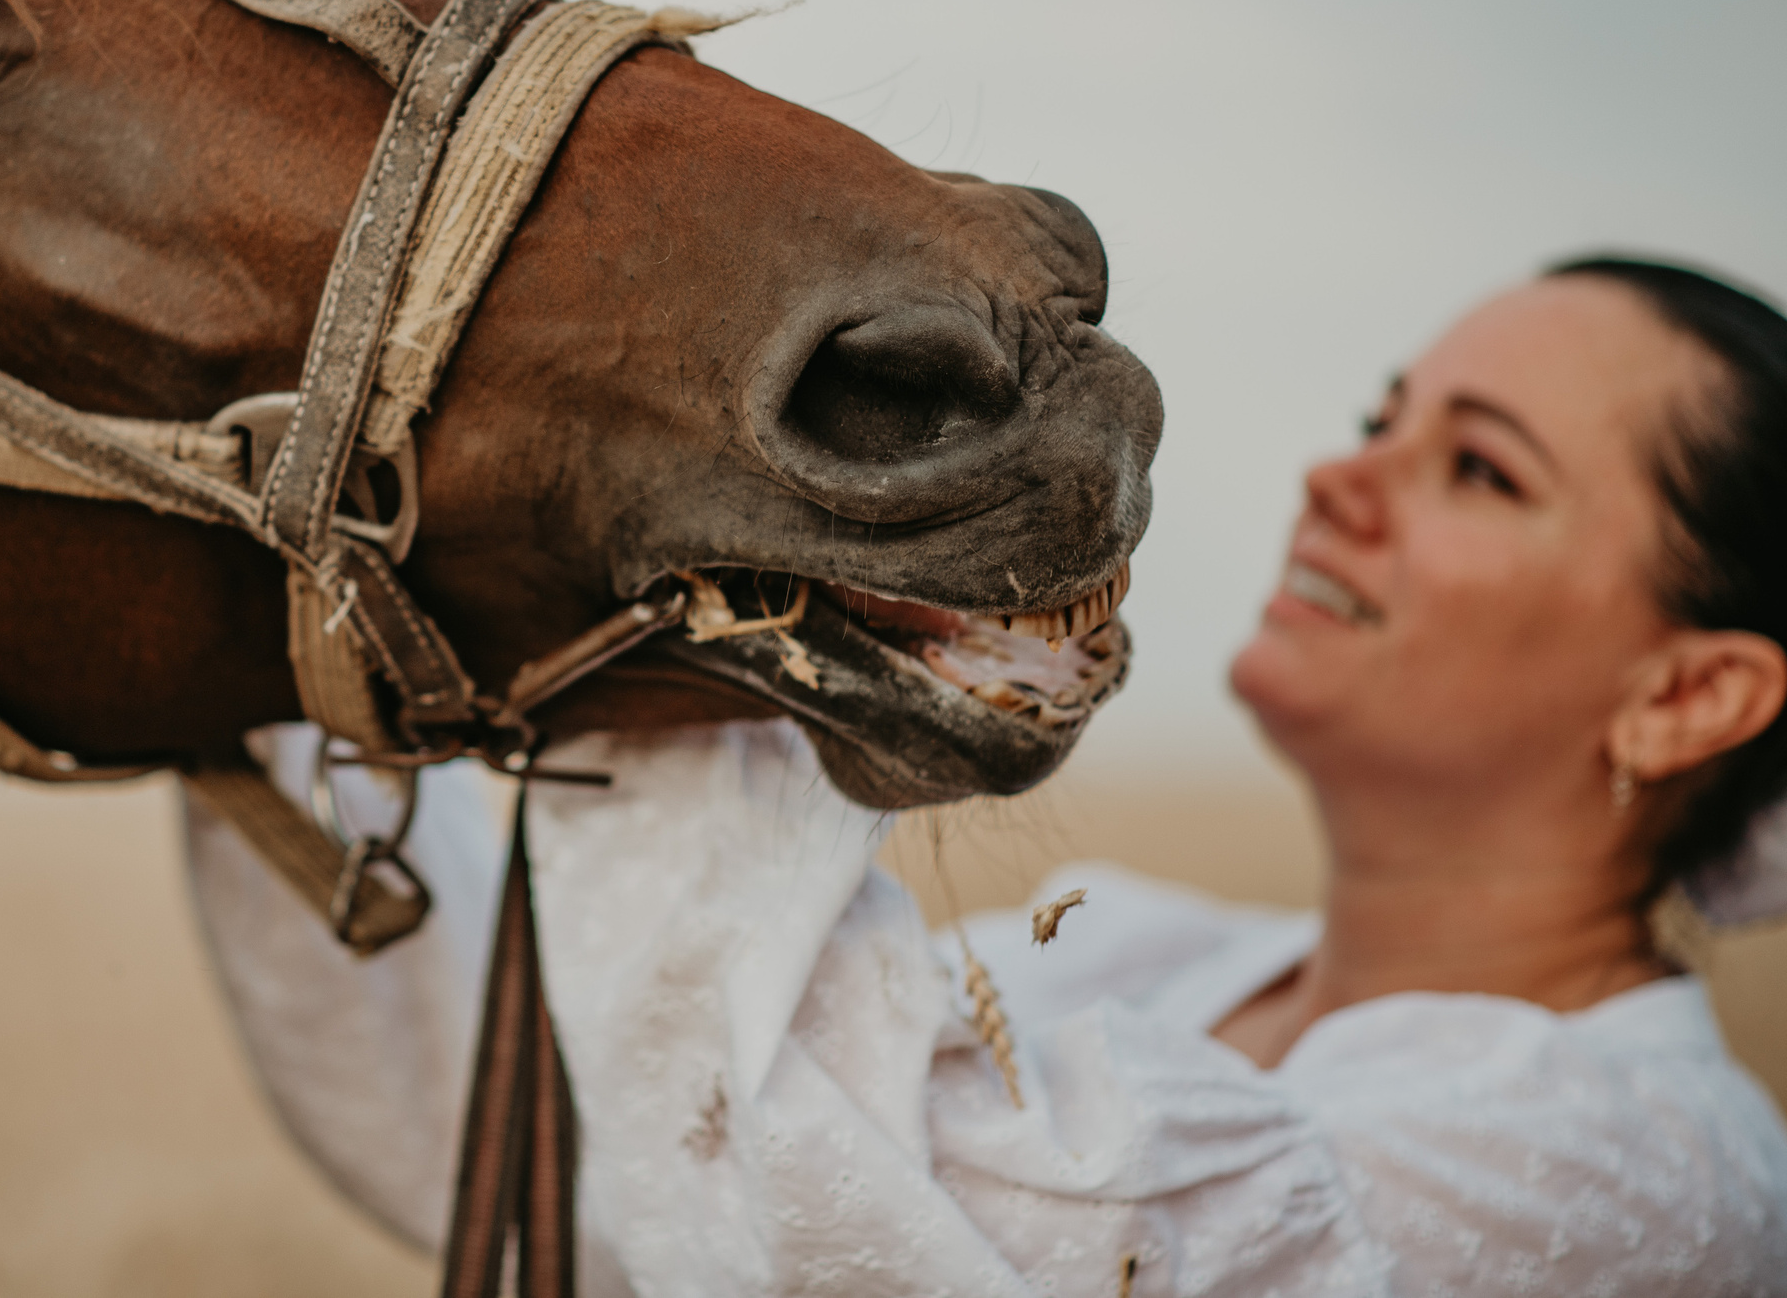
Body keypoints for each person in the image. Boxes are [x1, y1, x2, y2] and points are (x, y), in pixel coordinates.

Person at [184, 256, 1787, 1296]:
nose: (1336, 473)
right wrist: (260, 635)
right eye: (1385, 415)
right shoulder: (1128, 944)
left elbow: (883, 1203)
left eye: (1479, 467)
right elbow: (617, 1138)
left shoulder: (1641, 1171)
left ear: (1690, 694)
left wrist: (704, 578)